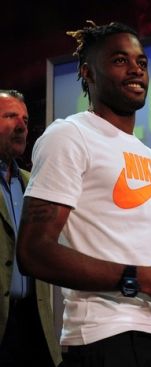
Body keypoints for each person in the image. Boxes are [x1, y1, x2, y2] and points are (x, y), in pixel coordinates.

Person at [16, 22, 151, 367]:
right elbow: (33, 251)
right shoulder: (69, 136)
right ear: (88, 73)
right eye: (119, 60)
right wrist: (140, 279)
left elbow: (143, 245)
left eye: (141, 62)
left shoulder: (150, 156)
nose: (135, 70)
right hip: (104, 337)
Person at [0, 90, 62, 366]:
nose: (22, 125)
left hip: (32, 325)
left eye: (25, 118)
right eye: (10, 116)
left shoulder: (33, 183)